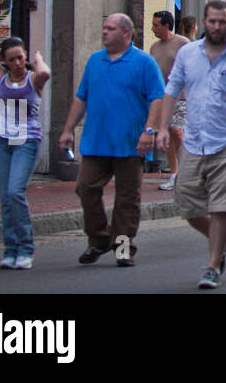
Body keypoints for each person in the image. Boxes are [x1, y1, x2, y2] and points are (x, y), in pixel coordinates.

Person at [156, 1, 226, 290]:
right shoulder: (188, 54)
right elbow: (172, 89)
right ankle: (221, 242)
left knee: (220, 207)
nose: (217, 27)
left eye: (222, 22)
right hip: (193, 141)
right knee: (187, 204)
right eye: (212, 21)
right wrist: (163, 127)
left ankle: (213, 265)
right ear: (203, 22)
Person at [58, 14, 166, 266]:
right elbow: (81, 97)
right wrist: (67, 130)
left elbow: (157, 98)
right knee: (85, 187)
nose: (104, 32)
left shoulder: (144, 62)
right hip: (96, 140)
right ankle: (98, 239)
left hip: (130, 142)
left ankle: (123, 249)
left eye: (110, 28)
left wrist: (148, 131)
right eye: (103, 27)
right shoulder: (95, 61)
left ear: (126, 33)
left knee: (127, 198)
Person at [0, 37, 50, 270]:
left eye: (20, 57)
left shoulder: (33, 79)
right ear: (5, 62)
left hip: (26, 142)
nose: (18, 62)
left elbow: (46, 73)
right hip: (1, 142)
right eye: (12, 59)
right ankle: (10, 250)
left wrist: (36, 59)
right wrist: (3, 52)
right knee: (6, 199)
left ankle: (26, 248)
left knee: (15, 192)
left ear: (26, 56)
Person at [149, 11, 189, 191]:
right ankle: (174, 173)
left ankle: (187, 171)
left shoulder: (183, 44)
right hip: (163, 97)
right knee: (167, 137)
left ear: (166, 26)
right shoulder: (154, 48)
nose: (153, 28)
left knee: (177, 132)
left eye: (156, 25)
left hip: (182, 96)